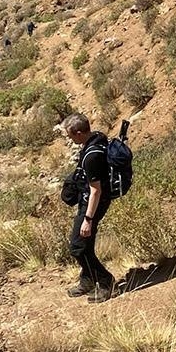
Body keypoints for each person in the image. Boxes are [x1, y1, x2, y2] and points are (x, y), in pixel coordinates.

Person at [62, 113, 115, 302]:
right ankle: (87, 280)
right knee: (86, 243)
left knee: (78, 247)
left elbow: (95, 191)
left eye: (70, 136)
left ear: (78, 133)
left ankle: (106, 281)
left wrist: (88, 219)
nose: (69, 139)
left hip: (93, 204)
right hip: (91, 201)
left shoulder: (92, 156)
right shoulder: (97, 138)